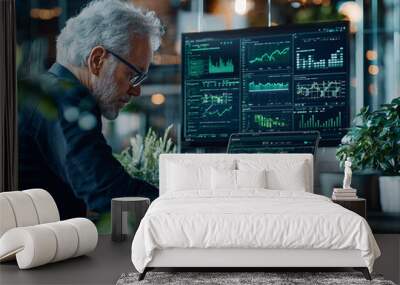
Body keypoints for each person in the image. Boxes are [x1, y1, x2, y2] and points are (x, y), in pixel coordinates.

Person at [18, 0, 164, 219]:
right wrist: (178, 205)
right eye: (132, 75)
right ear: (97, 60)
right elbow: (108, 193)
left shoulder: (51, 89)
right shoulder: (66, 98)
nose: (137, 91)